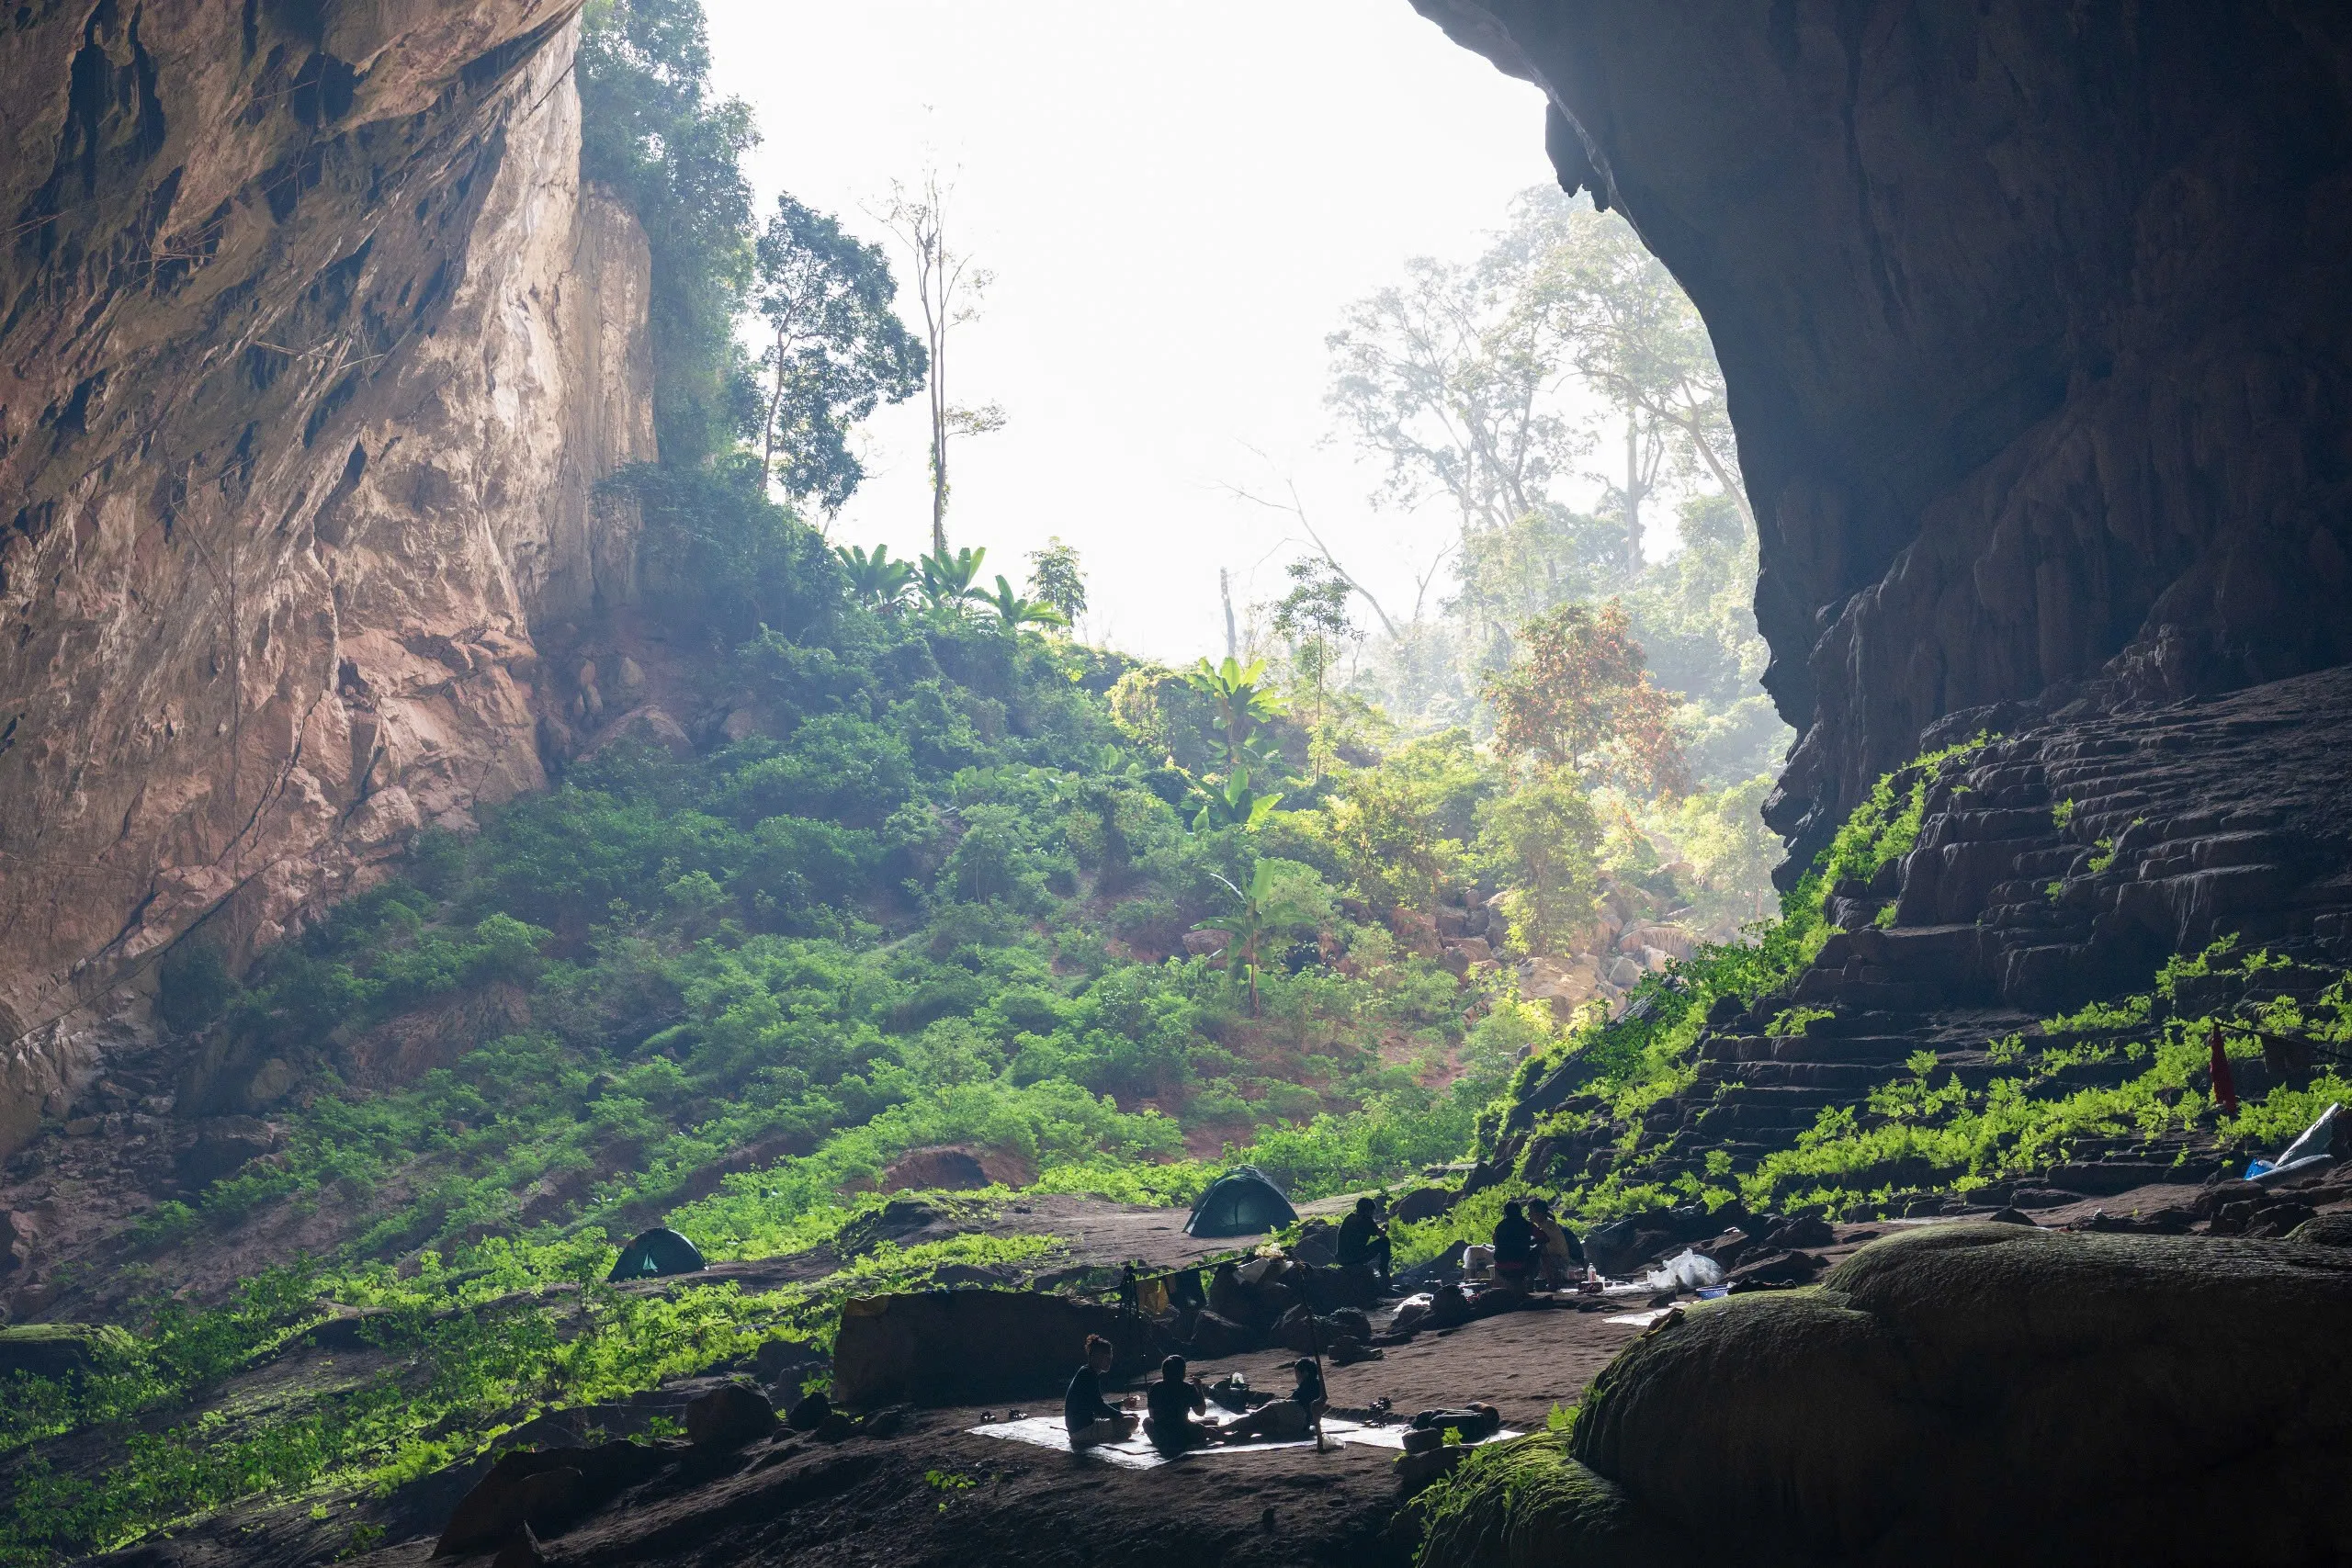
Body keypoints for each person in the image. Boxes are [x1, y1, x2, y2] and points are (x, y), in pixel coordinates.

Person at [1214, 1358, 1327, 1444]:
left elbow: (1292, 1400)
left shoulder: (1310, 1384)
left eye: (1297, 1374)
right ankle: (1227, 1437)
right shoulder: (1314, 1386)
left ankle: (1222, 1429)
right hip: (1300, 1424)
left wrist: (1271, 1405)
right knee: (1257, 1427)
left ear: (1305, 1373)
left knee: (1254, 1420)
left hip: (1296, 1414)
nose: (1296, 1377)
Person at [1064, 1334, 1138, 1448]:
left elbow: (1096, 1405)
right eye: (1107, 1358)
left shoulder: (1086, 1372)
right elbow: (1098, 1407)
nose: (1109, 1362)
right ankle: (1117, 1435)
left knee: (1127, 1421)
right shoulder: (1088, 1375)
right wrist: (1120, 1415)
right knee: (1132, 1422)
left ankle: (1117, 1434)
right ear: (1096, 1357)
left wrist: (1122, 1403)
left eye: (1110, 1358)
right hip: (1082, 1431)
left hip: (1078, 1428)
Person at [1143, 1354, 1216, 1451]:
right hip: (1184, 1433)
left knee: (1147, 1421)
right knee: (1208, 1425)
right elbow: (1201, 1412)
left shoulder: (1155, 1387)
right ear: (1182, 1372)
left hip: (1162, 1436)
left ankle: (1164, 1443)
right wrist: (1198, 1387)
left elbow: (1152, 1415)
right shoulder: (1188, 1388)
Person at [1526, 1197, 1587, 1289]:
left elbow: (1539, 1245)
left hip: (1564, 1263)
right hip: (1558, 1260)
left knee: (1540, 1253)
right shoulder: (1546, 1224)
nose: (1528, 1213)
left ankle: (1551, 1284)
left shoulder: (1548, 1226)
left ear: (1539, 1213)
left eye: (1531, 1210)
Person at [1335, 1196, 1393, 1285]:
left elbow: (1368, 1227)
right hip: (1354, 1258)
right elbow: (1381, 1234)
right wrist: (1385, 1227)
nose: (1373, 1214)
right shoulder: (1366, 1220)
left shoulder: (1349, 1217)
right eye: (1372, 1212)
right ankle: (1383, 1272)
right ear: (1368, 1211)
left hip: (1341, 1259)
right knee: (1385, 1241)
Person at [1491, 1200, 1538, 1291]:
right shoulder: (1526, 1224)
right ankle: (1530, 1285)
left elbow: (1495, 1242)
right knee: (1539, 1249)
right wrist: (1530, 1243)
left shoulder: (1500, 1226)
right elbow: (1544, 1238)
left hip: (1500, 1265)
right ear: (1519, 1211)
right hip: (1520, 1264)